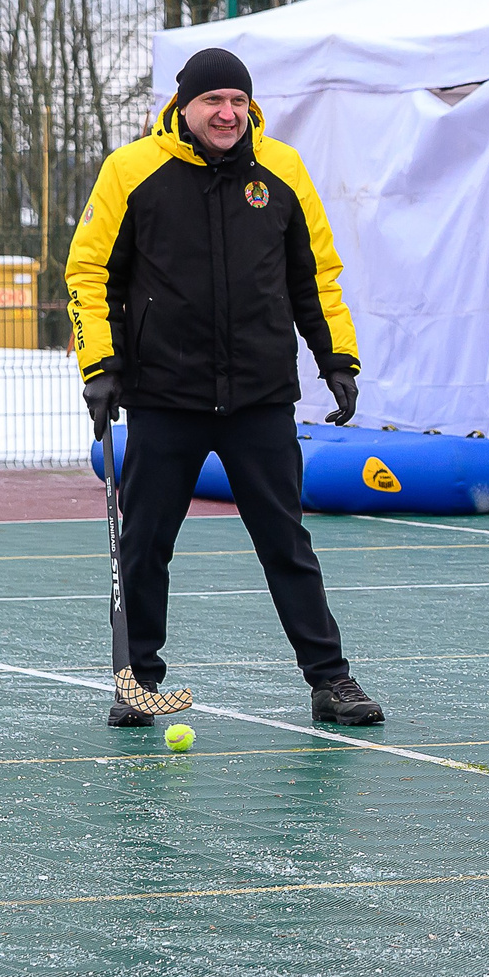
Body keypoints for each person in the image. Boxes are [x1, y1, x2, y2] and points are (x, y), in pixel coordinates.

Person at [67, 47, 387, 729]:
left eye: (238, 101)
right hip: (165, 396)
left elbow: (316, 275)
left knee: (286, 541)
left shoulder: (282, 171)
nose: (228, 113)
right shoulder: (132, 172)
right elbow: (90, 275)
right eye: (214, 101)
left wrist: (337, 356)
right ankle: (137, 682)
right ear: (184, 106)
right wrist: (101, 366)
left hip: (260, 397)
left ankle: (331, 679)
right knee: (145, 542)